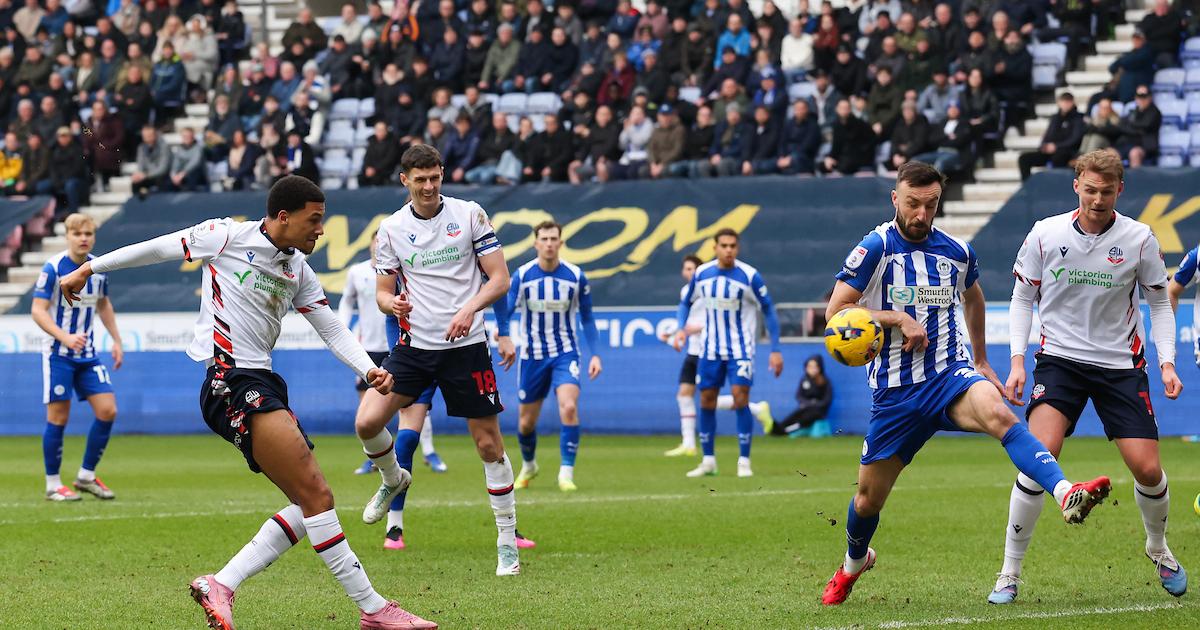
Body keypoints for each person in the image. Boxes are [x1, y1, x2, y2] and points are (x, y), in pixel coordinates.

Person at [55, 176, 435, 629]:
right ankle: (374, 610)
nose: (320, 230)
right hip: (228, 379)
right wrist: (89, 269)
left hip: (263, 382)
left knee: (304, 503)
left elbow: (331, 328)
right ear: (282, 217)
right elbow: (158, 247)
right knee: (318, 496)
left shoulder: (298, 270)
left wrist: (366, 369)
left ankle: (222, 584)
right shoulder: (226, 236)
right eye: (314, 220)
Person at [820, 161, 1113, 607]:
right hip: (896, 394)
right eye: (913, 203)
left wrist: (980, 359)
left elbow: (973, 296)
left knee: (999, 414)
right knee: (866, 502)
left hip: (949, 376)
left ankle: (1064, 492)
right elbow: (836, 313)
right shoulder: (875, 247)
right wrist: (896, 318)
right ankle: (854, 562)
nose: (921, 214)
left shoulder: (956, 251)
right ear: (895, 199)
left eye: (931, 205)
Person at [989, 150, 1186, 604]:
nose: (1098, 199)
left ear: (1121, 190)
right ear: (1076, 185)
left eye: (1107, 191)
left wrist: (1167, 362)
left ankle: (1157, 548)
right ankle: (1008, 572)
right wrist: (1018, 361)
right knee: (1040, 457)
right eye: (1090, 189)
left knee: (1148, 469)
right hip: (1059, 361)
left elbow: (1158, 303)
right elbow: (1022, 299)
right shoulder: (1045, 233)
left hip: (1120, 366)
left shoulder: (1139, 239)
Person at [354, 144, 523, 577]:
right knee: (367, 423)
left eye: (435, 178)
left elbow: (499, 278)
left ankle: (507, 543)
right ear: (404, 180)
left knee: (488, 445)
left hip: (467, 349)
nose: (429, 187)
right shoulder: (390, 229)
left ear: (442, 175)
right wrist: (392, 304)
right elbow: (381, 293)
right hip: (415, 350)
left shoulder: (470, 214)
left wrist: (469, 309)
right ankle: (394, 478)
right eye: (420, 179)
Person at [495, 221, 602, 492]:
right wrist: (503, 332)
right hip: (533, 357)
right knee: (526, 422)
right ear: (536, 244)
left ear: (561, 243)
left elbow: (588, 319)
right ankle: (529, 465)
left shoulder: (576, 276)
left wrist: (596, 355)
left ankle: (566, 473)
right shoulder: (523, 275)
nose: (550, 243)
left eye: (554, 238)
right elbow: (505, 309)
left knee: (568, 407)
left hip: (566, 353)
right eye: (544, 239)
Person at [673, 228, 784, 478]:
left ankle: (744, 461)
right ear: (715, 248)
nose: (728, 250)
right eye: (724, 245)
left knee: (740, 398)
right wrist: (681, 329)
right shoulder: (702, 274)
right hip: (710, 349)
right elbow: (685, 302)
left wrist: (775, 350)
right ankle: (708, 460)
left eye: (733, 245)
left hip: (740, 350)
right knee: (706, 400)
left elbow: (769, 310)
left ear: (738, 248)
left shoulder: (749, 276)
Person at [30, 213, 123, 502]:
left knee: (107, 410)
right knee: (59, 417)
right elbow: (38, 310)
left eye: (88, 233)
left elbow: (103, 305)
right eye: (77, 233)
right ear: (67, 236)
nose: (83, 238)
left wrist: (117, 340)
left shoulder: (97, 269)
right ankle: (53, 483)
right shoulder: (54, 268)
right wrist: (64, 337)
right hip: (59, 354)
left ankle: (85, 476)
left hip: (88, 355)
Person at [662, 255, 706, 456]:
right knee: (684, 394)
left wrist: (680, 331)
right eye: (686, 269)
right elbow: (686, 321)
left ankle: (756, 409)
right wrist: (674, 333)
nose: (689, 272)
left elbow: (710, 322)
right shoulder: (685, 292)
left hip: (709, 350)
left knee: (709, 396)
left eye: (692, 269)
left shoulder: (708, 289)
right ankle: (688, 444)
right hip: (693, 351)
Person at [765, 355, 833, 438]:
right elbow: (799, 396)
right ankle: (778, 427)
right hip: (805, 408)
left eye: (814, 367)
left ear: (819, 368)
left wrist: (815, 404)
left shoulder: (825, 381)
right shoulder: (804, 379)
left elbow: (827, 400)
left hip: (818, 411)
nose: (812, 369)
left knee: (804, 419)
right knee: (795, 415)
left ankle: (784, 431)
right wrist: (808, 403)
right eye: (810, 366)